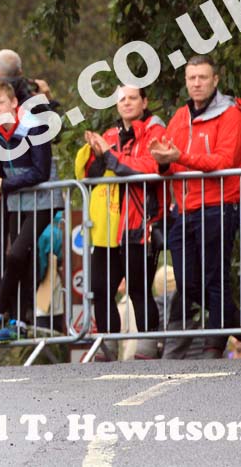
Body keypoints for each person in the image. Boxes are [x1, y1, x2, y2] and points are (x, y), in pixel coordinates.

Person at [149, 54, 241, 359]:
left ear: (215, 80)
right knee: (187, 283)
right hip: (184, 211)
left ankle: (215, 345)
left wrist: (178, 157)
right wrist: (162, 163)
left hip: (218, 206)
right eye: (191, 78)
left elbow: (224, 161)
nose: (196, 83)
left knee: (215, 279)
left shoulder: (231, 114)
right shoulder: (179, 118)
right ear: (185, 81)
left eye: (202, 77)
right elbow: (169, 166)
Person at [76, 85, 165, 360]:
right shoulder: (110, 134)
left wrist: (110, 156)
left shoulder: (154, 131)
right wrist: (96, 152)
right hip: (108, 227)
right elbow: (91, 176)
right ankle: (108, 345)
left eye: (132, 98)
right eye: (122, 99)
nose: (127, 103)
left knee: (139, 288)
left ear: (144, 101)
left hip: (140, 223)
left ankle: (148, 346)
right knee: (100, 288)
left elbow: (146, 168)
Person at [0, 50, 59, 307]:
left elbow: (42, 165)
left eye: (0, 103)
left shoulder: (33, 118)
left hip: (38, 195)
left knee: (17, 251)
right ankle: (6, 311)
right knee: (10, 252)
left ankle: (7, 310)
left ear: (14, 103)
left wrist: (1, 182)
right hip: (10, 193)